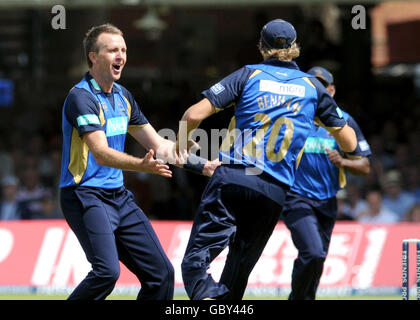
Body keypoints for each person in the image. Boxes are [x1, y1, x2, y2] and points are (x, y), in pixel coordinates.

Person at [177, 19, 357, 300]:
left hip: (235, 177)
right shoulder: (313, 87)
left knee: (195, 263)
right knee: (238, 270)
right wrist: (320, 119)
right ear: (295, 47)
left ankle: (206, 297)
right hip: (274, 191)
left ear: (261, 46)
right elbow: (349, 143)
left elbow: (192, 115)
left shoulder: (248, 75)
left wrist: (182, 143)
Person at [59, 23, 218, 300]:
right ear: (93, 57)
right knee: (106, 273)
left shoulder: (123, 97)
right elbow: (100, 152)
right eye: (112, 50)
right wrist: (142, 166)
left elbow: (159, 145)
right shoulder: (80, 98)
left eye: (123, 50)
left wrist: (202, 166)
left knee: (162, 275)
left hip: (118, 197)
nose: (120, 56)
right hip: (85, 195)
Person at [280, 66, 371, 300]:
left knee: (317, 258)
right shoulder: (291, 115)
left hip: (327, 202)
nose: (319, 89)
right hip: (295, 197)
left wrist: (343, 162)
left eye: (323, 85)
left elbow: (364, 166)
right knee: (312, 252)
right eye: (314, 84)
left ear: (332, 90)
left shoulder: (344, 121)